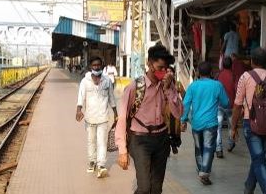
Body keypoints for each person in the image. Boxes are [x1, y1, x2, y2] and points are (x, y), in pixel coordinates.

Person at [115, 44, 182, 194]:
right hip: (140, 141)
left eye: (166, 68)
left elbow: (178, 114)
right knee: (145, 188)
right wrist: (122, 150)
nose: (163, 72)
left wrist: (169, 89)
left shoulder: (168, 86)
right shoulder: (134, 87)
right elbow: (122, 117)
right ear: (149, 64)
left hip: (162, 140)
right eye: (160, 68)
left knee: (156, 189)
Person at [232, 47, 266, 194]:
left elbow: (237, 105)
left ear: (251, 61)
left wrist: (233, 127)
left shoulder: (245, 77)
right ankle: (248, 188)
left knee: (258, 160)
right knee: (258, 158)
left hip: (251, 123)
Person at [181, 62, 229, 185]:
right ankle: (204, 171)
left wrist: (183, 120)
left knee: (198, 148)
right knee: (208, 148)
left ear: (198, 73)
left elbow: (185, 104)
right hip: (210, 123)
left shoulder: (193, 86)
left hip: (196, 123)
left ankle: (201, 168)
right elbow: (226, 103)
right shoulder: (217, 85)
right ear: (211, 73)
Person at [75, 57, 117, 178]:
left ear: (102, 66)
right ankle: (92, 161)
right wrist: (78, 109)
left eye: (98, 65)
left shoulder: (107, 80)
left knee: (102, 142)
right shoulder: (85, 81)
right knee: (91, 141)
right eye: (94, 65)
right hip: (89, 117)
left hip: (103, 117)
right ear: (90, 67)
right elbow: (81, 96)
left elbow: (111, 98)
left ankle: (101, 165)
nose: (96, 67)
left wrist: (116, 113)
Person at [216, 57, 236, 157]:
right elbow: (236, 89)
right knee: (231, 125)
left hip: (219, 104)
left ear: (223, 65)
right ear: (231, 65)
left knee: (218, 127)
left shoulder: (219, 75)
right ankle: (231, 143)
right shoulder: (233, 76)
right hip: (231, 105)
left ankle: (219, 149)